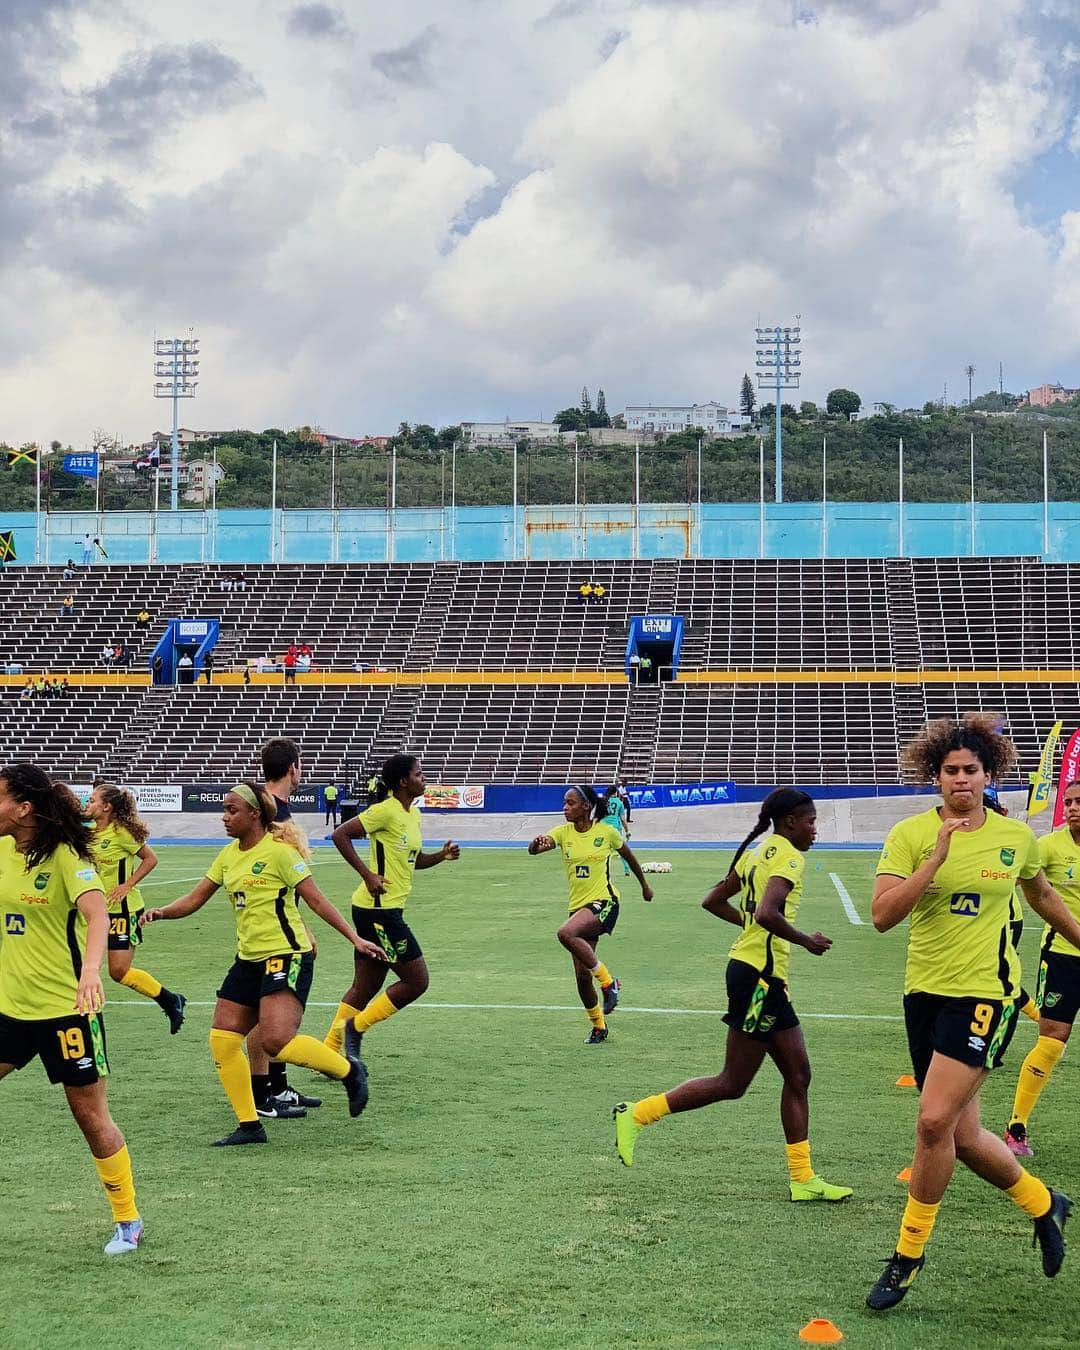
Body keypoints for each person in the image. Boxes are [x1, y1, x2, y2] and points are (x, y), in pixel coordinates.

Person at [865, 714, 1080, 1312]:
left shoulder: (1017, 840)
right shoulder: (910, 835)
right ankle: (1044, 1203)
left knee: (933, 1123)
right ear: (936, 777)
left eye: (972, 771)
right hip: (924, 993)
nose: (961, 780)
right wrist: (935, 858)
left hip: (988, 995)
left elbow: (1042, 896)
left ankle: (908, 1256)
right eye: (951, 771)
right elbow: (883, 915)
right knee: (961, 1135)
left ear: (990, 776)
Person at [612, 787, 851, 1206]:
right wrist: (804, 941)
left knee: (793, 1076)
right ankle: (636, 1115)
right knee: (736, 1081)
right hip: (760, 978)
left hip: (754, 973)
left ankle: (802, 1178)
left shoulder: (756, 852)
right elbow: (767, 913)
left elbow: (713, 901)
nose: (816, 829)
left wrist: (752, 928)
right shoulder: (789, 856)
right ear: (791, 821)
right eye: (811, 821)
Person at [141, 783, 385, 1145]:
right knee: (223, 1040)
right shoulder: (227, 856)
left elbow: (316, 902)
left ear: (255, 814)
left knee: (275, 1041)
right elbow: (195, 898)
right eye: (224, 809)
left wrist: (355, 938)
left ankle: (349, 1072)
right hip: (248, 959)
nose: (224, 817)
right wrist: (161, 912)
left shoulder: (281, 854)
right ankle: (250, 1126)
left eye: (232, 810)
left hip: (286, 955)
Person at [0, 763, 144, 1254]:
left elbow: (98, 913)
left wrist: (89, 973)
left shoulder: (64, 855)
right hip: (9, 1010)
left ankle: (128, 1219)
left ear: (24, 808)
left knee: (90, 1117)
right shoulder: (1, 849)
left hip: (67, 1011)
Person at [322, 754, 460, 1111]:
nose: (424, 777)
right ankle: (356, 1028)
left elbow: (413, 861)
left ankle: (327, 1053)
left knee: (366, 985)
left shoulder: (413, 814)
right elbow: (340, 835)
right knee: (416, 981)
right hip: (378, 912)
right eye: (418, 773)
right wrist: (367, 875)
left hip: (383, 910)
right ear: (402, 781)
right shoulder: (384, 810)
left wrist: (440, 857)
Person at [528, 784, 654, 1044]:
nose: (565, 807)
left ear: (586, 806)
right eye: (564, 802)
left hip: (604, 901)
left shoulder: (606, 832)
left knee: (565, 933)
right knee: (582, 976)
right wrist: (535, 845)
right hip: (579, 907)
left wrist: (644, 885)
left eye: (570, 803)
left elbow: (629, 858)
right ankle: (599, 1026)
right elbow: (539, 847)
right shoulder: (562, 833)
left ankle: (609, 984)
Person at [1004, 778, 1080, 1156]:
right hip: (1064, 956)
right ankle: (1017, 1126)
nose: (1072, 808)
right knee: (1052, 1039)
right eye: (1068, 802)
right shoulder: (1049, 847)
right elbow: (1014, 882)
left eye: (1078, 802)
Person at [247, 737, 319, 1119]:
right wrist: (302, 928)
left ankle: (277, 1086)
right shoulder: (270, 811)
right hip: (269, 930)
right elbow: (272, 880)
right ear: (293, 767)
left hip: (279, 924)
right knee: (266, 1013)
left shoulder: (276, 808)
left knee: (280, 1010)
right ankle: (263, 1094)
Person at [86, 784, 185, 1033]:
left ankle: (170, 1000)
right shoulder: (87, 832)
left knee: (118, 971)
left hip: (124, 910)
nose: (88, 804)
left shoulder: (121, 833)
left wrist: (127, 885)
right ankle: (85, 1017)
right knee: (86, 968)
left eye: (92, 800)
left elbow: (150, 859)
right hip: (95, 910)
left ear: (106, 807)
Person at [602, 787, 631, 877]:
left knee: (603, 850)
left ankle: (604, 870)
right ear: (615, 793)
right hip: (615, 828)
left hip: (604, 828)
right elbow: (623, 819)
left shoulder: (604, 802)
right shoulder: (619, 803)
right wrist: (627, 831)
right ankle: (627, 869)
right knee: (621, 849)